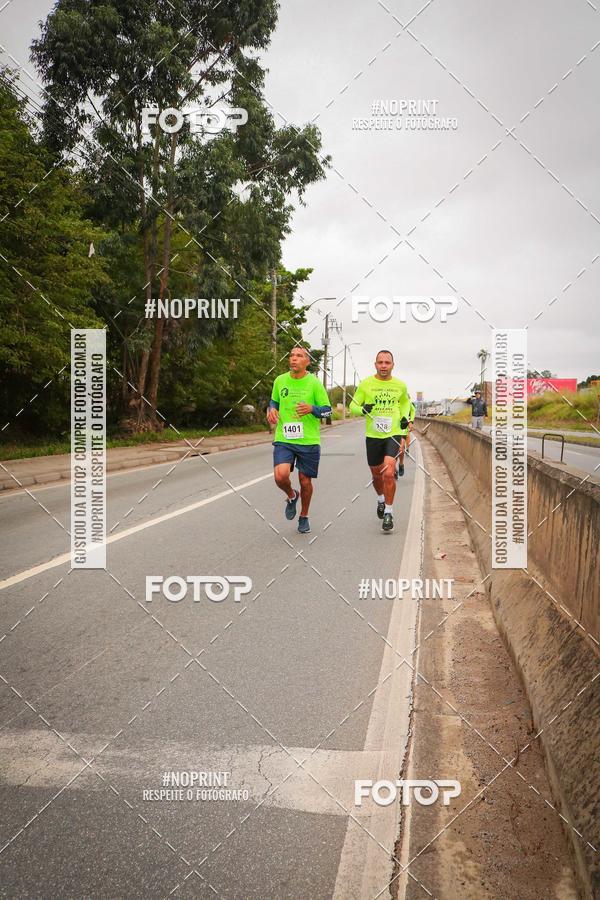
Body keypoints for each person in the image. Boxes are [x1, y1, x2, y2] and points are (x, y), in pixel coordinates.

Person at [267, 347, 332, 534]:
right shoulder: (280, 380)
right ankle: (291, 495)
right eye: (292, 355)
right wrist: (271, 410)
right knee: (280, 476)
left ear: (307, 362)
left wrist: (312, 409)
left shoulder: (314, 384)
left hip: (308, 440)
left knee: (305, 481)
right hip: (284, 438)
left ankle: (304, 516)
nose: (294, 358)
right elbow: (274, 402)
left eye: (299, 356)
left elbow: (328, 411)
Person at [350, 350, 412, 532]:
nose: (384, 366)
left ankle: (389, 513)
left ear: (393, 365)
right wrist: (362, 410)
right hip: (373, 435)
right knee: (377, 475)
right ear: (375, 364)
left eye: (387, 362)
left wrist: (405, 417)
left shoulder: (400, 385)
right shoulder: (366, 384)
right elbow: (352, 405)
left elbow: (405, 403)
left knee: (389, 473)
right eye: (380, 362)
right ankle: (381, 499)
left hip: (392, 433)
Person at [396, 398, 416, 478]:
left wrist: (410, 421)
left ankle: (401, 464)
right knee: (391, 451)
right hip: (390, 429)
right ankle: (393, 468)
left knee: (400, 449)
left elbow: (413, 410)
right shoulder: (390, 399)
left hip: (402, 428)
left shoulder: (406, 401)